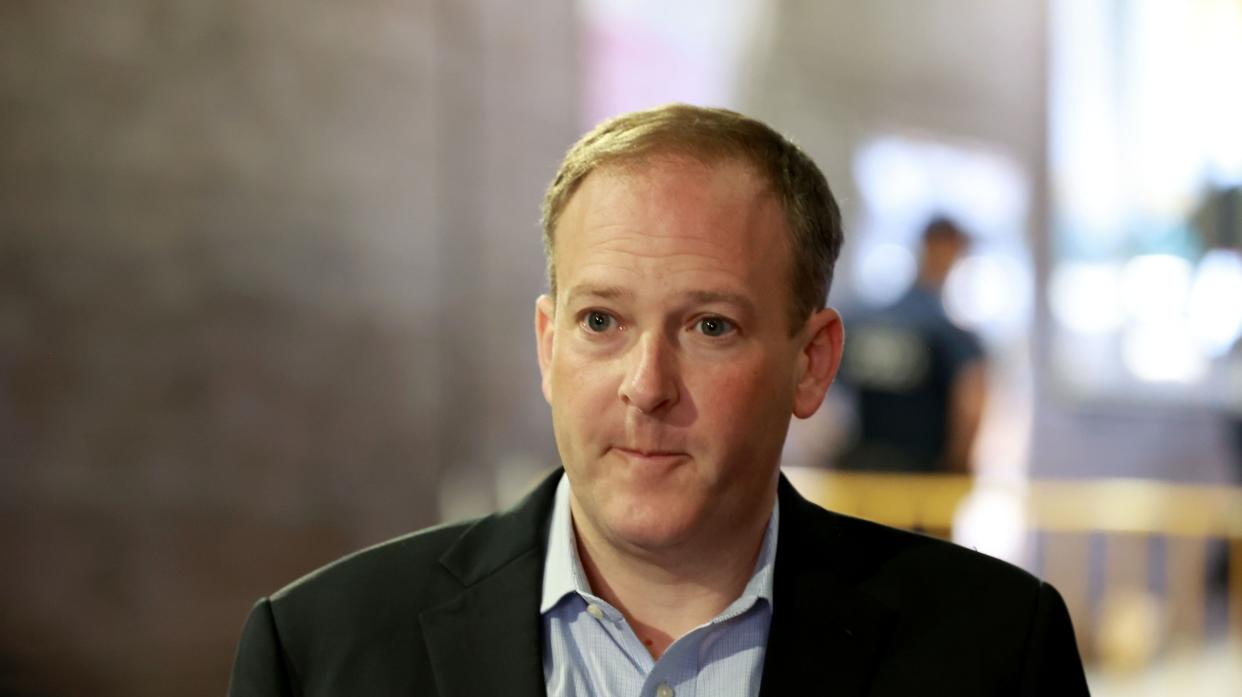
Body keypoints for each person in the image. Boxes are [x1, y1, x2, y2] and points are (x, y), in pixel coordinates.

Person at [227, 104, 1088, 696]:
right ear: (547, 343)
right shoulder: (320, 650)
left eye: (709, 326)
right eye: (600, 319)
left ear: (812, 363)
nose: (647, 386)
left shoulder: (995, 653)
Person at [836, 217, 987, 473]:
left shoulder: (860, 324)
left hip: (860, 471)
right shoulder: (951, 335)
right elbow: (970, 405)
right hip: (921, 476)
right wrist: (960, 469)